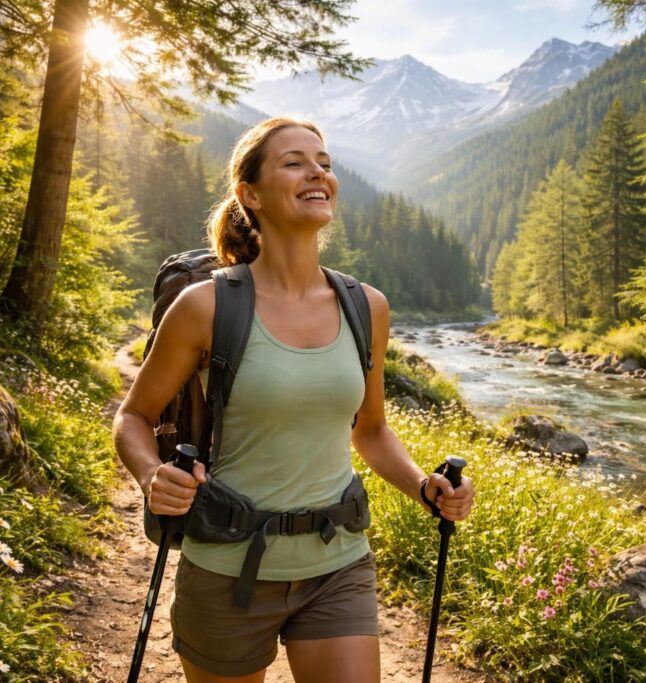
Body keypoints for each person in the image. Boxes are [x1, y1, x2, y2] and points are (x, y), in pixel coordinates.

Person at [113, 117, 476, 683]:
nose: (319, 173)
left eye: (325, 163)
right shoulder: (205, 307)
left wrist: (424, 487)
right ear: (249, 194)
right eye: (295, 162)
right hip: (226, 563)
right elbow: (133, 417)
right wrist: (148, 474)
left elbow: (371, 430)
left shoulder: (367, 307)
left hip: (338, 561)